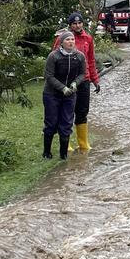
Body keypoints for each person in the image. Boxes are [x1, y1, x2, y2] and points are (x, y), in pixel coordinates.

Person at [53, 12, 99, 151]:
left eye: (79, 23)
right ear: (70, 25)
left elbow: (91, 60)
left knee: (82, 111)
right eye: (74, 23)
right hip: (68, 80)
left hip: (84, 80)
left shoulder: (88, 38)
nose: (77, 26)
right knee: (67, 111)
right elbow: (55, 58)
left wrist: (95, 80)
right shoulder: (63, 38)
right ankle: (66, 143)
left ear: (82, 24)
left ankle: (83, 142)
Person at [42, 30, 85, 160]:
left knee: (66, 123)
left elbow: (82, 74)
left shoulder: (79, 56)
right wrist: (62, 88)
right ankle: (46, 153)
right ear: (61, 43)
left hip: (70, 95)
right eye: (67, 40)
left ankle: (63, 155)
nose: (71, 42)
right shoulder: (54, 56)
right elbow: (48, 76)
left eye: (72, 39)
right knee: (51, 123)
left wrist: (75, 84)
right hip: (52, 94)